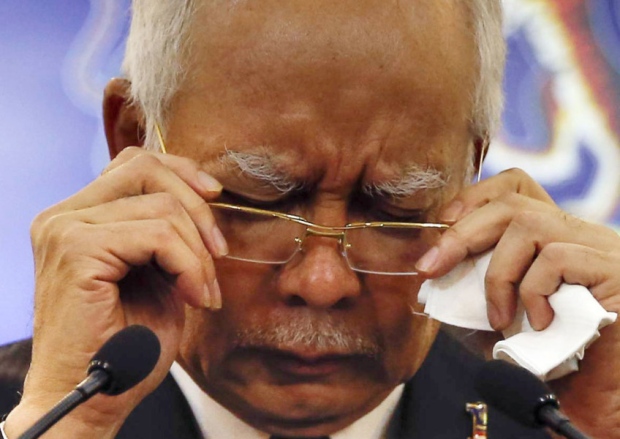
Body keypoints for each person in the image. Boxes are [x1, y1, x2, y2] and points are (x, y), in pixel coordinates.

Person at [2, 0, 620, 437]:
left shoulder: (550, 420)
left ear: (470, 169)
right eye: (258, 202)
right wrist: (70, 425)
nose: (323, 283)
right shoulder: (32, 418)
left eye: (393, 206)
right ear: (133, 142)